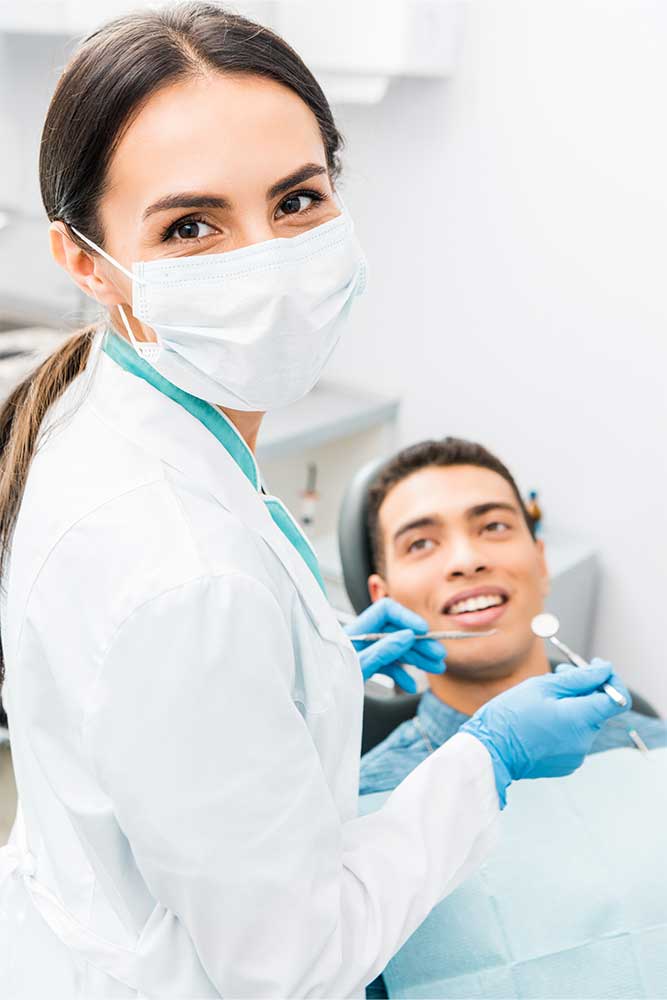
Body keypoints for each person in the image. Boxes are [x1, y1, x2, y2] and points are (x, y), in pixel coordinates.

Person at [0, 5, 630, 997]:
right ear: (85, 259)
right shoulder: (182, 573)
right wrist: (490, 759)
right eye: (191, 227)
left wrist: (312, 670)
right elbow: (289, 964)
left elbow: (165, 730)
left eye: (297, 201)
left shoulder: (148, 434)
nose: (267, 262)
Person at [360, 438, 666, 797]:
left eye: (493, 527)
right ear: (384, 600)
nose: (467, 560)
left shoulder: (649, 743)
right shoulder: (361, 804)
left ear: (541, 563)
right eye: (421, 544)